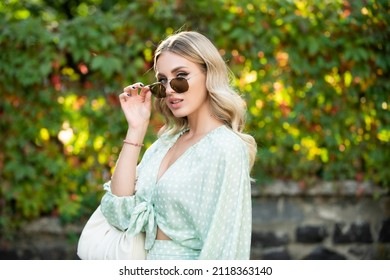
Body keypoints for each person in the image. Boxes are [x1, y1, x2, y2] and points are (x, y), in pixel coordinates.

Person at [100, 30, 257, 260]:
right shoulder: (167, 142)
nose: (170, 88)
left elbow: (225, 249)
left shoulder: (226, 148)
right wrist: (136, 128)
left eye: (181, 76)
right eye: (162, 80)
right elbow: (120, 212)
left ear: (208, 74)